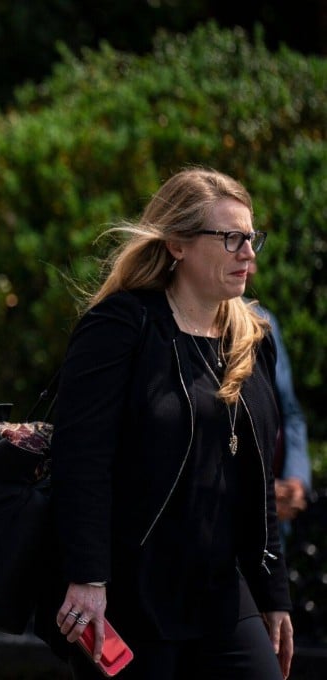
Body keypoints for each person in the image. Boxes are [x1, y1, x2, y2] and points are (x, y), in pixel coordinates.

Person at [48, 168, 294, 679]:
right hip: (132, 591)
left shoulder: (254, 337)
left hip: (224, 593)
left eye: (251, 238)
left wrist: (274, 594)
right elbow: (81, 460)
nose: (247, 252)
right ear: (178, 244)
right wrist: (88, 577)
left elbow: (258, 481)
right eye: (230, 238)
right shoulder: (120, 327)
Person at [247, 263, 311, 530]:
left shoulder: (265, 323)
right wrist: (255, 491)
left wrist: (296, 479)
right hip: (226, 518)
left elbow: (290, 413)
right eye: (233, 241)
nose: (251, 263)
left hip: (275, 514)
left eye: (251, 242)